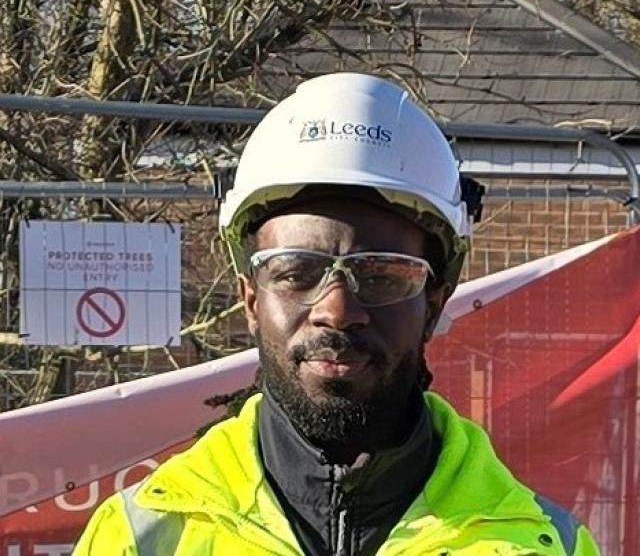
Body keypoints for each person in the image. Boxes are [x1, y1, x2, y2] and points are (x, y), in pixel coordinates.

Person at [74, 73, 600, 555]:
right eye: (297, 271)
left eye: (382, 275)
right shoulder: (142, 534)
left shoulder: (544, 543)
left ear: (434, 303)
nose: (337, 310)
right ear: (251, 298)